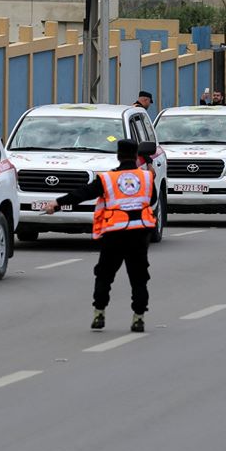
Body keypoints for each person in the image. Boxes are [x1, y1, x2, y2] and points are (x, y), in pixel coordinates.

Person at [40, 139, 157, 333]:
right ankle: (138, 318)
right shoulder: (146, 177)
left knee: (104, 274)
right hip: (139, 232)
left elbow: (83, 193)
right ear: (136, 156)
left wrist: (57, 203)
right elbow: (151, 199)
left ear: (118, 156)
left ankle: (99, 313)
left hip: (114, 233)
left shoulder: (107, 179)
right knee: (138, 276)